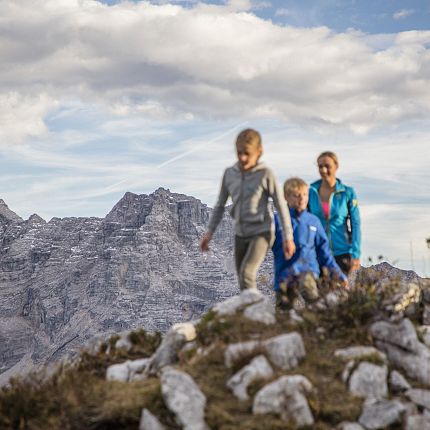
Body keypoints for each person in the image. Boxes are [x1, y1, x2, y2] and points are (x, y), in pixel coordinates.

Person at [200, 128, 295, 290]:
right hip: (240, 233)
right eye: (239, 153)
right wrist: (209, 233)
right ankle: (250, 309)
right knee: (242, 280)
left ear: (258, 152)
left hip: (262, 232)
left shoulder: (265, 174)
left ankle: (254, 312)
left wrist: (288, 237)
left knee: (246, 273)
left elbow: (280, 204)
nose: (242, 158)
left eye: (247, 153)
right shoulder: (230, 174)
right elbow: (220, 205)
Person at [272, 177, 348, 308]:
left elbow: (324, 252)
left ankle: (317, 317)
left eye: (305, 194)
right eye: (296, 195)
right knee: (283, 311)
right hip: (285, 274)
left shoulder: (313, 221)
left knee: (312, 296)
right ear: (286, 197)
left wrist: (338, 275)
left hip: (307, 271)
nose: (301, 199)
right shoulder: (277, 221)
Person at [308, 151, 361, 275]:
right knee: (318, 293)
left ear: (336, 166)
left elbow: (356, 223)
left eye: (328, 166)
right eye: (320, 166)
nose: (324, 170)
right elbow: (305, 221)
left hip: (341, 252)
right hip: (317, 252)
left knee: (337, 292)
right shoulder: (311, 192)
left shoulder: (347, 193)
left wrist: (356, 253)